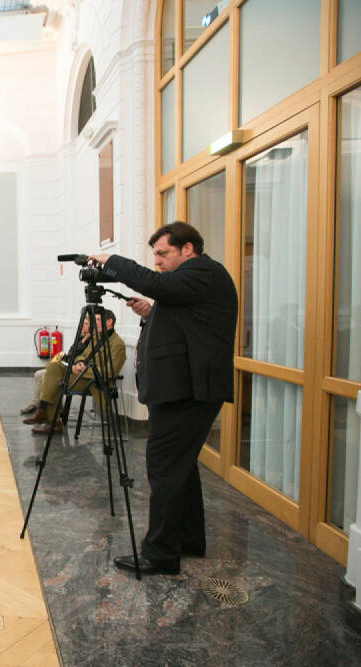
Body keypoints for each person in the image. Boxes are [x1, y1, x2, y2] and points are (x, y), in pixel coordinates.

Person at [89, 221, 237, 576]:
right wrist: (152, 312)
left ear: (188, 249)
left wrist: (112, 261)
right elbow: (188, 325)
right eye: (154, 255)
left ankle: (160, 554)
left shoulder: (203, 270)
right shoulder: (197, 279)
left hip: (186, 391)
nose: (157, 261)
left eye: (162, 253)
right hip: (183, 388)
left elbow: (157, 285)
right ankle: (187, 540)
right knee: (180, 469)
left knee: (165, 469)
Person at [25, 310, 126, 435]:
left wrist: (83, 370)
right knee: (54, 367)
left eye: (98, 320)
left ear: (109, 322)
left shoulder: (118, 344)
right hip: (81, 372)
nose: (95, 324)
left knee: (56, 382)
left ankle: (50, 419)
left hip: (94, 380)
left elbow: (110, 372)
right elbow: (83, 355)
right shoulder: (96, 337)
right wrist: (78, 363)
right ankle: (43, 411)